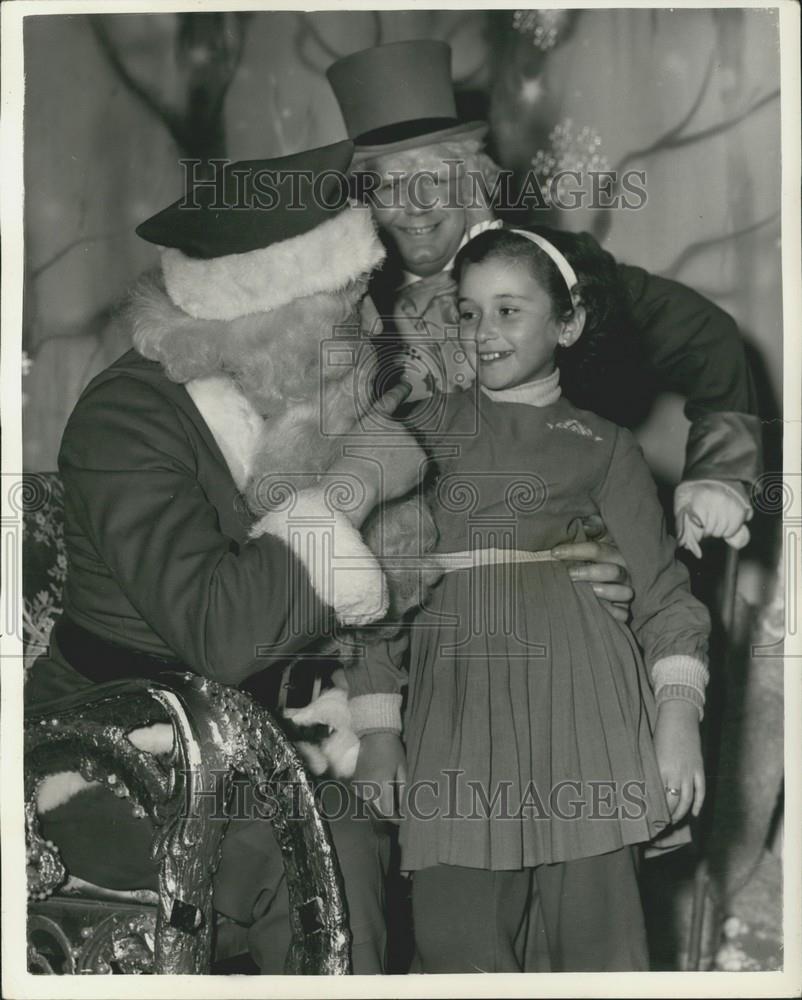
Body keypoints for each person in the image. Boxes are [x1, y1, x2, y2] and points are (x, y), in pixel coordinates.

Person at [24, 140, 427, 974]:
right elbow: (217, 631)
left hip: (265, 739)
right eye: (355, 303)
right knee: (333, 849)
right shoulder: (125, 423)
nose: (376, 328)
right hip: (116, 758)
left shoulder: (289, 397)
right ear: (284, 318)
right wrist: (352, 489)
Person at [347, 226, 712, 972]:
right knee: (455, 943)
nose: (483, 332)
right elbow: (375, 585)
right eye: (468, 311)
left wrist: (677, 720)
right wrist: (379, 730)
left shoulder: (605, 444)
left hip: (588, 717)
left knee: (598, 948)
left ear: (568, 322)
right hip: (456, 718)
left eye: (509, 311)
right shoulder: (415, 431)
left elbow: (664, 596)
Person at [326, 39, 763, 561]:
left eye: (434, 180)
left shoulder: (554, 270)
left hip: (561, 569)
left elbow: (706, 338)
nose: (415, 207)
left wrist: (719, 475)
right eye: (390, 187)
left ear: (473, 182)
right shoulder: (340, 306)